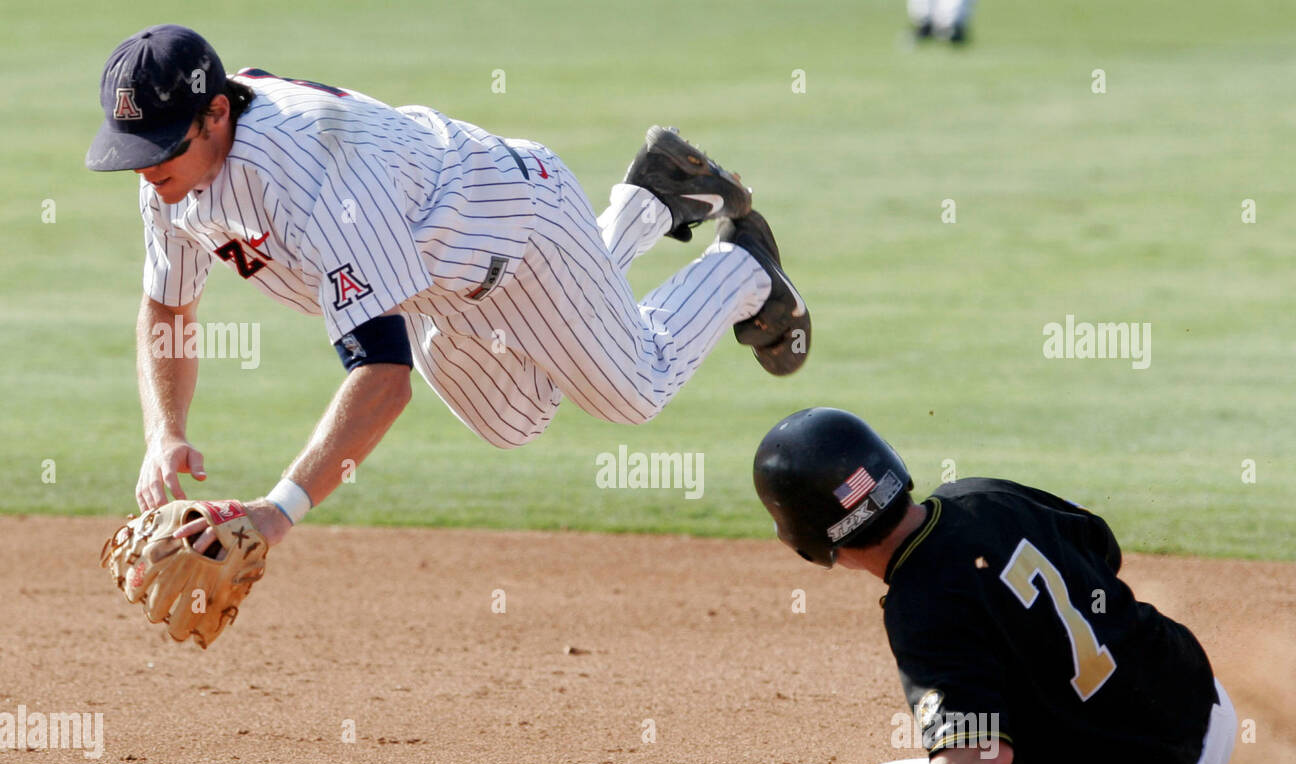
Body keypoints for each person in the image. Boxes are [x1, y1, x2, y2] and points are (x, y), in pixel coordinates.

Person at [87, 24, 811, 553]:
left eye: (161, 149)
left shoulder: (311, 175)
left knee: (636, 388)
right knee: (515, 419)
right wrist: (164, 434)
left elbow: (383, 377)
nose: (146, 172)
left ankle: (744, 269)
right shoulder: (171, 178)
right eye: (134, 153)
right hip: (431, 281)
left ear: (217, 114)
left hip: (520, 231)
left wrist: (277, 512)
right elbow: (168, 304)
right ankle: (650, 200)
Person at [752, 407, 1235, 764]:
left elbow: (981, 755)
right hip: (1212, 710)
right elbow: (1101, 549)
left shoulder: (919, 607)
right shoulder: (981, 494)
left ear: (807, 538)